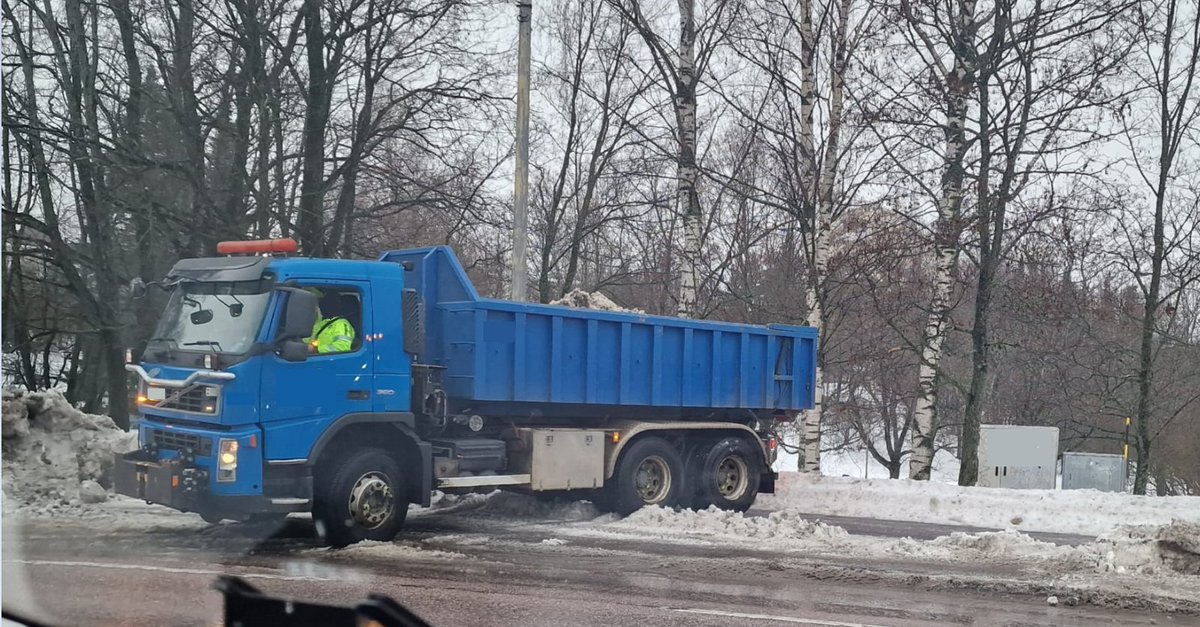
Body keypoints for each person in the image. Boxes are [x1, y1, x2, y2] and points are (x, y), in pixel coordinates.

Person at [304, 289, 355, 353]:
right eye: (321, 304)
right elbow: (309, 340)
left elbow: (342, 347)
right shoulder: (320, 323)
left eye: (325, 303)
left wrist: (315, 349)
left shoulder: (341, 324)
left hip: (327, 360)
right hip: (314, 359)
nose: (321, 307)